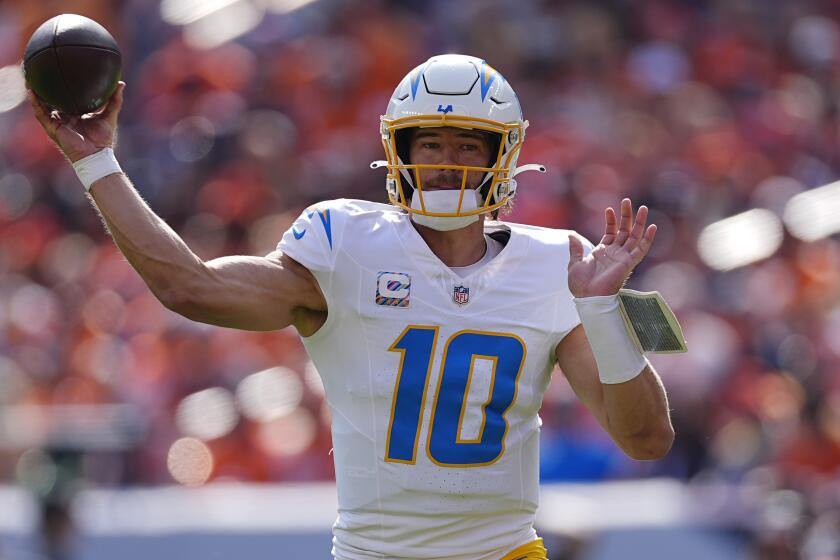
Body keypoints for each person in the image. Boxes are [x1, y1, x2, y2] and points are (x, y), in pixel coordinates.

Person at [29, 53, 674, 560]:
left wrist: (601, 312)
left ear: (501, 156)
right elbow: (191, 287)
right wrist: (97, 165)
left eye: (467, 145)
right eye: (430, 144)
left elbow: (646, 441)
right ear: (399, 152)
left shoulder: (557, 263)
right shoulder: (346, 246)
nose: (446, 164)